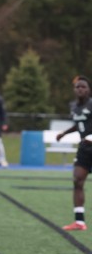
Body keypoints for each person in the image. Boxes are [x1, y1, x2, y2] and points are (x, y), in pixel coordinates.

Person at [57, 75, 92, 231]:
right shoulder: (74, 106)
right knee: (77, 180)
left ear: (89, 90)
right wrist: (64, 133)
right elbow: (79, 124)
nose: (80, 89)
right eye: (78, 87)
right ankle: (79, 221)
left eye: (83, 86)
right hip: (84, 148)